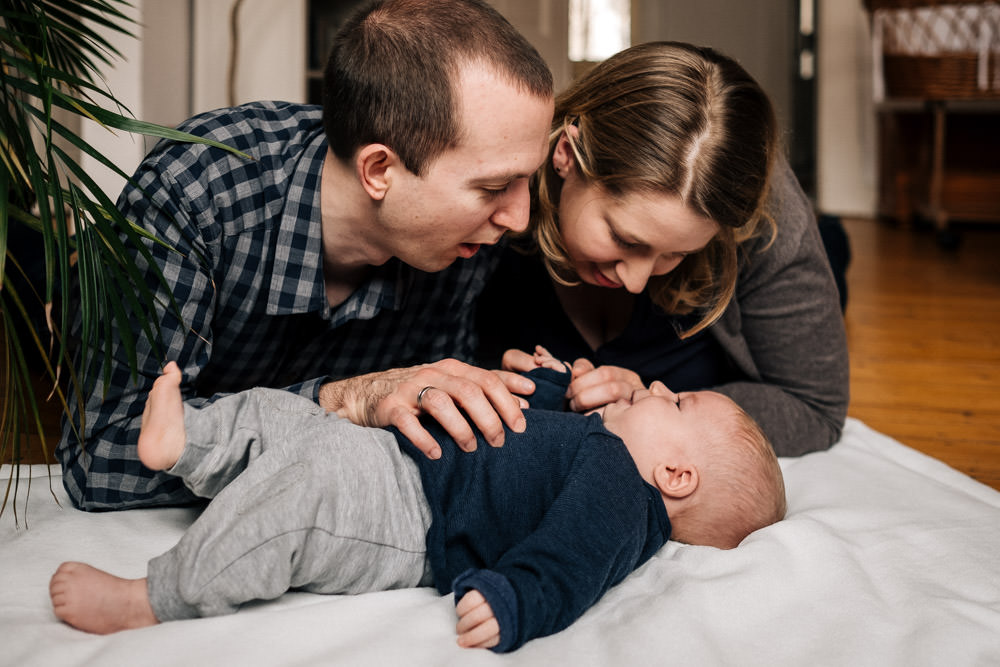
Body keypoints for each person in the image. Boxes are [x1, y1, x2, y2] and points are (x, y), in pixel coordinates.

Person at [59, 0, 555, 510]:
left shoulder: (463, 242)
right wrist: (345, 401)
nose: (517, 217)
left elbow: (429, 449)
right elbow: (100, 456)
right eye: (495, 186)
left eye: (527, 180)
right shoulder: (198, 193)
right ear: (379, 170)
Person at [49, 348, 785, 653]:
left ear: (676, 475)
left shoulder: (622, 493)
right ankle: (187, 441)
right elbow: (527, 411)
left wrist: (514, 599)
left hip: (411, 517)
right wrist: (545, 375)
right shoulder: (606, 434)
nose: (657, 387)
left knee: (302, 490)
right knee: (289, 417)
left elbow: (570, 561)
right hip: (402, 450)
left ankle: (156, 595)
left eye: (677, 402)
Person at [476, 41, 849, 457]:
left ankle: (829, 239)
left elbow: (816, 409)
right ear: (565, 154)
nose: (635, 283)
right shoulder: (494, 188)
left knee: (829, 253)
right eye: (625, 239)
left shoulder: (767, 225)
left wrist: (659, 403)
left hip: (779, 265)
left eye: (680, 254)